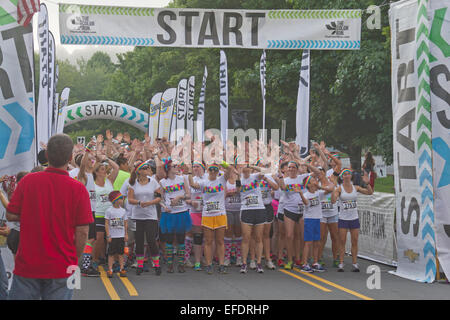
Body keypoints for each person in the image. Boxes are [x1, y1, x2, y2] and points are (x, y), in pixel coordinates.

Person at [6, 134, 93, 300]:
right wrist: (74, 260)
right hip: (63, 265)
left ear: (46, 155)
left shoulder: (28, 181)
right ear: (70, 157)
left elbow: (11, 215)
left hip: (28, 265)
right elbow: (82, 232)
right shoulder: (79, 189)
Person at [188, 163, 233, 274]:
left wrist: (221, 162)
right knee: (208, 241)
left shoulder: (222, 179)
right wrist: (190, 172)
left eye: (215, 169)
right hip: (207, 215)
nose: (213, 171)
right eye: (211, 169)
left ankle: (222, 264)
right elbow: (193, 185)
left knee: (220, 241)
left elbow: (230, 169)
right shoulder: (204, 182)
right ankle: (209, 264)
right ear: (208, 171)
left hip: (220, 214)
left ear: (218, 171)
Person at [127, 160, 163, 275]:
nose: (149, 170)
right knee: (139, 240)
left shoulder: (153, 182)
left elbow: (159, 197)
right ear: (140, 171)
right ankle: (140, 265)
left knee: (151, 240)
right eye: (146, 168)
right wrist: (139, 203)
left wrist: (150, 202)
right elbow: (130, 199)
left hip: (150, 216)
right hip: (137, 216)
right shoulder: (133, 183)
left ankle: (157, 264)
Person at [335, 169, 373, 272]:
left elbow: (369, 192)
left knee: (355, 241)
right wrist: (334, 194)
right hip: (343, 218)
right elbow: (333, 200)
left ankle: (355, 263)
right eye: (345, 174)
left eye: (348, 174)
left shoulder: (355, 187)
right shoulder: (339, 188)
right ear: (342, 177)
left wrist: (367, 183)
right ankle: (341, 262)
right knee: (342, 241)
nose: (347, 176)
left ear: (351, 176)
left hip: (354, 218)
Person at [158, 158, 192, 273]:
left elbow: (188, 195)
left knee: (181, 239)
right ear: (168, 169)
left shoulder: (182, 179)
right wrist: (164, 206)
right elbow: (160, 199)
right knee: (169, 239)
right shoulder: (163, 182)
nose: (176, 167)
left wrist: (179, 197)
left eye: (176, 165)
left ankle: (181, 264)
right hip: (169, 214)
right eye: (174, 166)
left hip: (181, 212)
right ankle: (170, 264)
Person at [298, 175, 335, 272]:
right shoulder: (306, 195)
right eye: (313, 181)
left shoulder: (319, 193)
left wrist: (320, 187)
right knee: (308, 242)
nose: (315, 182)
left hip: (317, 219)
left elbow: (331, 189)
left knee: (317, 242)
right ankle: (304, 263)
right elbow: (306, 203)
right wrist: (301, 194)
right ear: (308, 184)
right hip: (309, 220)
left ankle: (315, 262)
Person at [237, 163, 268, 274]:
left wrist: (252, 166)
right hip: (246, 209)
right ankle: (244, 263)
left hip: (259, 208)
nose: (245, 170)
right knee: (246, 237)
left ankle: (258, 262)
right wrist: (238, 175)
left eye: (247, 168)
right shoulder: (239, 178)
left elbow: (264, 171)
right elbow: (238, 190)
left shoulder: (255, 177)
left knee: (259, 237)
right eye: (243, 168)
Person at [92, 153, 119, 270]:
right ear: (97, 172)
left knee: (114, 239)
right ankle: (94, 260)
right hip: (98, 214)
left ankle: (115, 261)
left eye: (105, 169)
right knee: (99, 238)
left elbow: (116, 168)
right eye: (102, 169)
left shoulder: (109, 181)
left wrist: (106, 159)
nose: (105, 171)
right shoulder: (92, 184)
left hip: (111, 214)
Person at [186, 161, 206, 271]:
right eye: (193, 167)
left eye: (197, 166)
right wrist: (190, 201)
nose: (195, 168)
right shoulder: (190, 179)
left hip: (206, 211)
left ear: (203, 168)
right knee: (195, 235)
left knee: (205, 236)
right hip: (194, 211)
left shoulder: (207, 178)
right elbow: (185, 195)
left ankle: (202, 257)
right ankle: (190, 259)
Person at [105, 191, 128, 278]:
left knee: (121, 253)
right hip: (113, 236)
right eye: (121, 198)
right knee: (111, 253)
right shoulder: (109, 211)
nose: (122, 200)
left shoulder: (123, 211)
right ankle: (110, 269)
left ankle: (122, 268)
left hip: (121, 236)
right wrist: (108, 235)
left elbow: (125, 223)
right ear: (116, 200)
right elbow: (106, 223)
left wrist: (126, 234)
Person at [224, 167, 242, 267]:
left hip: (239, 210)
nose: (233, 171)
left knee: (238, 233)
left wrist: (238, 176)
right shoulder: (225, 180)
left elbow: (239, 190)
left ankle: (239, 257)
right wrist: (232, 193)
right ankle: (227, 257)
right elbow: (225, 194)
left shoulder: (239, 179)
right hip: (228, 210)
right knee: (228, 233)